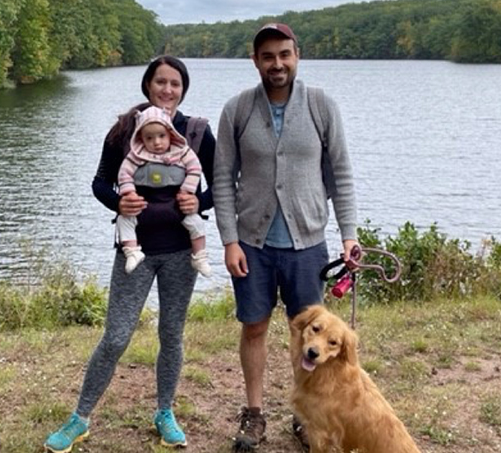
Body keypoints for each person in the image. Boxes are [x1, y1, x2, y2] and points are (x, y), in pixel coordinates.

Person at [44, 55, 215, 452]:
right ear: (147, 85)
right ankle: (80, 418)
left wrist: (198, 202)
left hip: (179, 253)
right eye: (160, 82)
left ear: (183, 89)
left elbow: (221, 185)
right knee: (117, 336)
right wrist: (118, 205)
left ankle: (164, 412)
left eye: (175, 83)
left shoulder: (198, 133)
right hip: (133, 250)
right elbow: (101, 183)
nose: (167, 90)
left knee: (171, 334)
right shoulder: (124, 131)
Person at [212, 23, 358, 452]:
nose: (277, 64)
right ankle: (254, 414)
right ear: (255, 60)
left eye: (284, 54)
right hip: (252, 246)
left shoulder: (320, 105)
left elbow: (341, 175)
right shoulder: (236, 109)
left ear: (297, 55)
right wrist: (229, 239)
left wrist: (349, 234)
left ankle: (304, 413)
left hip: (307, 244)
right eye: (268, 56)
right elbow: (222, 179)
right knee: (254, 327)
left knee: (308, 336)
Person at [117, 105, 212, 277]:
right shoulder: (136, 155)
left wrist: (188, 191)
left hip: (175, 203)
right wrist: (129, 194)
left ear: (171, 134)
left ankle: (199, 256)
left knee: (196, 223)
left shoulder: (182, 152)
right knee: (124, 221)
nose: (157, 142)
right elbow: (124, 173)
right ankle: (132, 251)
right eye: (149, 138)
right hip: (144, 205)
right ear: (141, 138)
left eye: (162, 136)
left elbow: (195, 168)